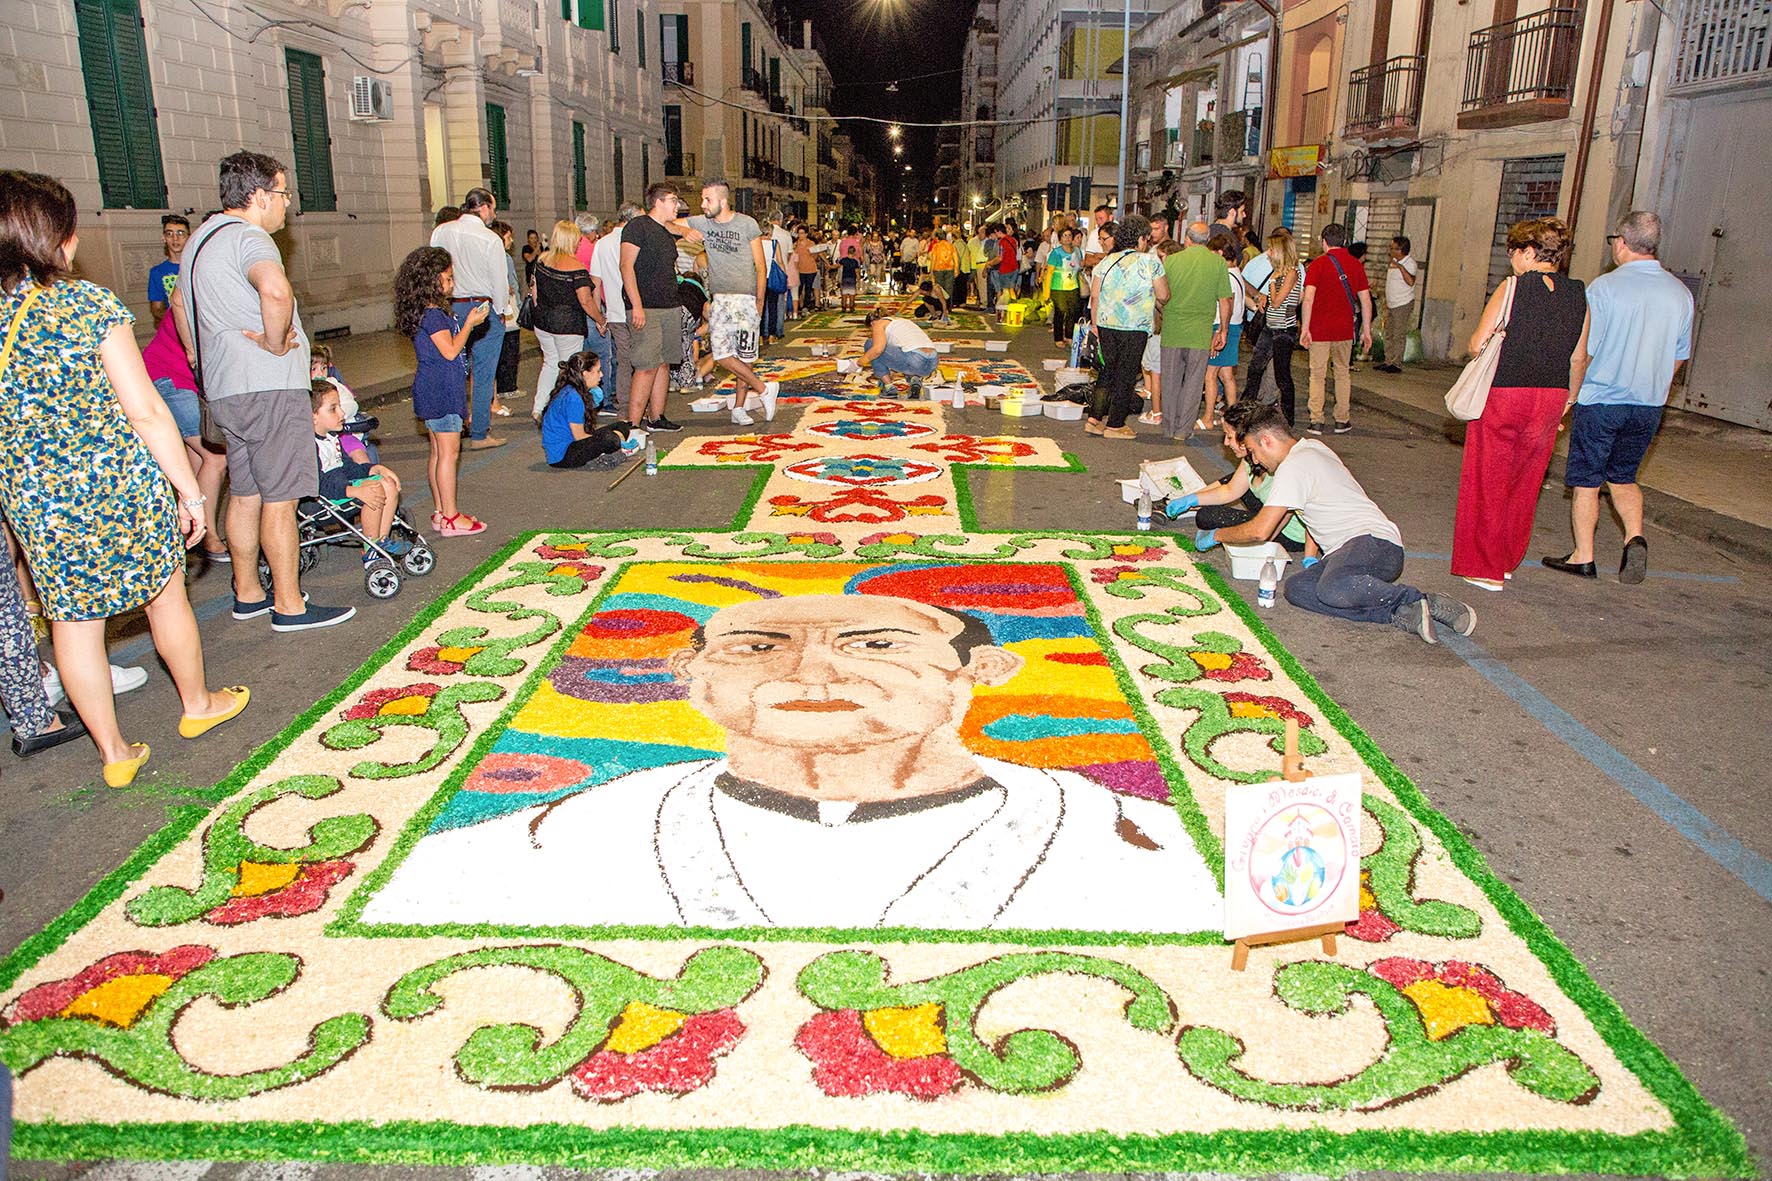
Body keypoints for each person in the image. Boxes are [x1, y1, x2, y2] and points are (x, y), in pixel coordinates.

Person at [360, 591, 1219, 931]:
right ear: (686, 680)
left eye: (876, 644)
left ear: (981, 671)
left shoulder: (1139, 838)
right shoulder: (562, 835)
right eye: (755, 647)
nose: (810, 673)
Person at [0, 170, 250, 786]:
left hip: (35, 496)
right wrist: (189, 490)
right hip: (115, 481)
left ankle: (114, 754)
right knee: (165, 593)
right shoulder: (86, 305)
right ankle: (197, 705)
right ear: (55, 236)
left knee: (72, 624)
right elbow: (144, 410)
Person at [171, 151, 353, 632]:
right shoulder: (250, 238)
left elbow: (177, 303)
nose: (286, 204)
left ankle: (248, 592)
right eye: (282, 193)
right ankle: (290, 604)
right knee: (282, 497)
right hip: (269, 387)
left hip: (227, 389)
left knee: (246, 492)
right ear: (256, 196)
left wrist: (198, 355)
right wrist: (275, 343)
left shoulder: (198, 241)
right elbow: (275, 290)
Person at [1196, 403, 1472, 641]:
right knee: (1299, 589)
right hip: (1348, 553)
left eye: (1254, 451)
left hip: (1373, 543)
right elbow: (1275, 528)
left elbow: (1260, 530)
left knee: (1332, 587)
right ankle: (1400, 613)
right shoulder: (1311, 448)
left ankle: (1422, 601)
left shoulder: (1293, 467)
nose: (1255, 459)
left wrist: (1218, 535)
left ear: (1267, 440)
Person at [1543, 211, 1694, 585]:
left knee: (1588, 482)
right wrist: (1655, 385)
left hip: (1602, 399)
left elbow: (1586, 351)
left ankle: (1584, 556)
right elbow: (1679, 355)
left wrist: (1570, 395)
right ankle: (1634, 536)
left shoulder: (1604, 288)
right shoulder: (1680, 293)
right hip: (1648, 404)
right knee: (1624, 477)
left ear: (1621, 243)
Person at [1450, 219, 1588, 592]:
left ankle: (1485, 567)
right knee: (1525, 482)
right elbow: (1578, 358)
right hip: (1552, 396)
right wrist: (1568, 401)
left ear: (1529, 252)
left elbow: (1477, 344)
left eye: (1513, 252)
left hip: (1505, 392)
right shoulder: (1579, 294)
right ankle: (1507, 560)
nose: (1511, 260)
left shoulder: (1511, 287)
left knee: (1487, 479)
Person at [140, 247, 228, 564]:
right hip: (168, 378)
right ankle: (209, 537)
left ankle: (189, 530)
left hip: (178, 378)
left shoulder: (206, 292)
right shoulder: (199, 296)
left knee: (197, 459)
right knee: (216, 456)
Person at [395, 245, 488, 537]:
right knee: (449, 454)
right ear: (430, 281)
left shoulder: (427, 312)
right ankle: (450, 515)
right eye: (447, 278)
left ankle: (441, 511)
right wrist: (470, 325)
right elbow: (450, 351)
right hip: (442, 388)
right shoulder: (433, 315)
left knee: (438, 453)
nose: (451, 284)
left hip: (434, 385)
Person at [683, 178, 781, 428]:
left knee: (744, 357)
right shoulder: (702, 223)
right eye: (703, 199)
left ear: (722, 201)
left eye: (708, 199)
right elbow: (668, 222)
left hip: (745, 298)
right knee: (722, 354)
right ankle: (764, 388)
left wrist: (759, 301)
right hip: (720, 299)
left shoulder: (747, 224)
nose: (703, 204)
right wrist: (684, 230)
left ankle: (739, 407)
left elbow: (761, 266)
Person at [1163, 402, 1314, 561]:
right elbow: (1230, 490)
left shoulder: (1282, 466)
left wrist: (1219, 536)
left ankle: (1250, 522)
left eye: (1229, 437)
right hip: (1272, 515)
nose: (1226, 443)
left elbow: (1306, 513)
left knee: (1207, 516)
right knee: (1233, 480)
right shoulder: (1255, 456)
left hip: (1288, 533)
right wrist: (1191, 499)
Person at [429, 188, 514, 450]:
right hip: (481, 308)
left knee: (449, 367)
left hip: (448, 306)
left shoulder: (441, 231)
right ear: (485, 208)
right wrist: (501, 311)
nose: (494, 214)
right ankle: (479, 433)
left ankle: (448, 427)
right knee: (483, 373)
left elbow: (431, 267)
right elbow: (499, 280)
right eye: (494, 208)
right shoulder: (489, 238)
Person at [1087, 215, 1169, 441]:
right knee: (1126, 374)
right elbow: (1163, 295)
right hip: (1134, 325)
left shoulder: (1106, 261)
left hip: (1105, 324)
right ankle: (1115, 424)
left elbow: (1095, 296)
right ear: (1141, 239)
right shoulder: (1150, 262)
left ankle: (1094, 419)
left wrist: (1095, 324)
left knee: (1107, 371)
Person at [621, 183, 692, 433]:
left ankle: (656, 416)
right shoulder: (637, 226)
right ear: (659, 202)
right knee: (646, 364)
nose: (677, 205)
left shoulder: (665, 231)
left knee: (664, 363)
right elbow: (626, 266)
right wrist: (637, 305)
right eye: (674, 200)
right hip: (646, 306)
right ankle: (632, 422)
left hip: (669, 304)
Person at [311, 382, 406, 560]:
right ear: (313, 416)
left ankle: (380, 541)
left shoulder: (332, 438)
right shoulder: (309, 446)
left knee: (388, 484)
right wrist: (354, 490)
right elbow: (318, 483)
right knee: (374, 490)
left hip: (341, 489)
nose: (342, 413)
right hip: (324, 499)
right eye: (333, 409)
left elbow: (348, 468)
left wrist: (373, 469)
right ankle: (371, 549)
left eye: (340, 406)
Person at [1156, 221, 1232, 441]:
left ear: (1187, 239)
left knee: (1170, 381)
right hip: (1200, 332)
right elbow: (1225, 300)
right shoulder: (1217, 263)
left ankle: (1169, 427)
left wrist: (1162, 311)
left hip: (1172, 329)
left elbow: (1160, 294)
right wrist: (1223, 330)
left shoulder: (1171, 260)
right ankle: (1183, 430)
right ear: (1207, 241)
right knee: (1193, 382)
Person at [1300, 222, 1373, 435]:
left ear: (1324, 242)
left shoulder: (1317, 265)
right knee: (1342, 373)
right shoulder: (1355, 265)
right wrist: (1366, 329)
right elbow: (1365, 300)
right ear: (1344, 242)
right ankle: (1342, 419)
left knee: (1317, 375)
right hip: (1344, 330)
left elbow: (1308, 299)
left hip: (1319, 329)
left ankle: (1316, 420)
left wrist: (1305, 328)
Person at [530, 220, 602, 421]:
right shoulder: (577, 268)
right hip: (568, 325)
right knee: (571, 370)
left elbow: (534, 293)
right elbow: (586, 301)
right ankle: (565, 411)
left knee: (550, 364)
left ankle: (539, 407)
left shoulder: (542, 261)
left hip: (543, 323)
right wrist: (600, 319)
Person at [540, 352, 642, 470]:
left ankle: (613, 447)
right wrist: (614, 439)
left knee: (621, 426)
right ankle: (617, 448)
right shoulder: (574, 398)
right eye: (598, 371)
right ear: (585, 374)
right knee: (610, 439)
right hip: (563, 455)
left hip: (570, 444)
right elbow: (579, 436)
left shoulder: (572, 389)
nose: (601, 375)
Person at [1242, 228, 1304, 424]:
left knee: (1282, 373)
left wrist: (1271, 285)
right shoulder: (1278, 273)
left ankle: (1288, 416)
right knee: (1255, 367)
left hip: (1284, 330)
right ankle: (1247, 407)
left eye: (1271, 249)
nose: (1268, 252)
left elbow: (1277, 302)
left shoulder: (1292, 273)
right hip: (1270, 326)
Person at [588, 205, 637, 417]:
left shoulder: (602, 243)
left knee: (624, 361)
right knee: (644, 362)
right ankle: (639, 407)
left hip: (615, 312)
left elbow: (595, 283)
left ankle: (625, 408)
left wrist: (599, 316)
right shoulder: (636, 241)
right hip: (637, 309)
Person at [1199, 233, 1247, 432]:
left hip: (1222, 326)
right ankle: (1233, 417)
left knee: (1210, 374)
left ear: (1219, 253)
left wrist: (1220, 331)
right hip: (1235, 326)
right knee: (1227, 375)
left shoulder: (1226, 275)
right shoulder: (1237, 272)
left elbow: (1226, 302)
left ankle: (1208, 417)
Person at [847, 307, 940, 397]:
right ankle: (914, 379)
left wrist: (857, 364)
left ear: (872, 323)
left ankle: (889, 388)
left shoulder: (878, 324)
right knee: (904, 350)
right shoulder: (902, 321)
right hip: (932, 362)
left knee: (871, 344)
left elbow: (877, 350)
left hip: (914, 359)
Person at [489, 220, 521, 420]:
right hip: (505, 308)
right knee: (507, 350)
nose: (511, 240)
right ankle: (505, 388)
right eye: (508, 236)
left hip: (502, 307)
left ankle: (499, 391)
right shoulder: (502, 257)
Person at [1376, 235, 1418, 373]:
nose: (1390, 251)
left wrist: (1400, 267)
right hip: (1391, 303)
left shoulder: (1409, 263)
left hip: (1402, 303)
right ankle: (1388, 360)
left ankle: (1396, 362)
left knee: (1398, 334)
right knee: (1388, 333)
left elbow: (1411, 281)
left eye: (1393, 248)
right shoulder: (1392, 262)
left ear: (1401, 250)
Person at [147, 213, 189, 325]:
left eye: (180, 233)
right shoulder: (157, 272)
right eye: (169, 234)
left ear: (189, 237)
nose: (175, 238)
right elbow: (157, 309)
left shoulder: (198, 267)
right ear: (164, 238)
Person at [1045, 226, 1083, 348]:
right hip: (1058, 287)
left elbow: (1080, 266)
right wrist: (1046, 291)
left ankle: (1069, 336)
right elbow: (1049, 272)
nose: (1067, 238)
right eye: (1064, 236)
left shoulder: (1077, 251)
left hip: (1074, 286)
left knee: (1073, 312)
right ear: (1060, 239)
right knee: (1060, 313)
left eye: (1069, 235)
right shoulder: (1055, 253)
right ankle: (1058, 338)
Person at [926, 231, 957, 307]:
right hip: (950, 268)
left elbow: (934, 259)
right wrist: (956, 269)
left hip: (938, 269)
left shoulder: (936, 246)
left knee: (939, 288)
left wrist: (931, 271)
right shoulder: (951, 245)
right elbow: (955, 258)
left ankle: (940, 306)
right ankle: (948, 306)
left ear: (937, 238)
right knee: (949, 288)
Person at [838, 243, 863, 312]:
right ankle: (852, 307)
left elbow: (837, 266)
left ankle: (844, 307)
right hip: (852, 278)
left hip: (845, 278)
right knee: (852, 294)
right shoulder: (855, 261)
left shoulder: (843, 260)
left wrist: (829, 266)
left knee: (844, 294)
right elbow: (856, 271)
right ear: (854, 252)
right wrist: (858, 278)